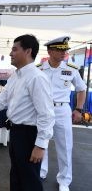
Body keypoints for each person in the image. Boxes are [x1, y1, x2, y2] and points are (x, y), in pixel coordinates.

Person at [0, 34, 55, 191]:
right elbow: (1, 101)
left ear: (28, 51)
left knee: (30, 181)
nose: (11, 53)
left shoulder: (37, 78)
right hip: (16, 132)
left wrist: (40, 145)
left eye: (14, 49)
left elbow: (46, 114)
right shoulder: (15, 76)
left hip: (29, 135)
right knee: (16, 176)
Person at [38, 36, 86, 191]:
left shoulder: (71, 69)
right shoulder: (39, 69)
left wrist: (78, 109)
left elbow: (81, 89)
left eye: (65, 50)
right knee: (41, 142)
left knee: (65, 145)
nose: (64, 53)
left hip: (62, 110)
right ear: (50, 51)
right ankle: (41, 171)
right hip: (42, 110)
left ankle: (64, 180)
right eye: (60, 50)